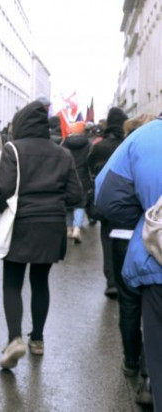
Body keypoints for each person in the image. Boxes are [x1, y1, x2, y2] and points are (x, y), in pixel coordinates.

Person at [0, 101, 83, 369]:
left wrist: (0, 207)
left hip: (21, 223)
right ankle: (38, 339)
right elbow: (76, 195)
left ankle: (15, 339)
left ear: (21, 123)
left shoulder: (13, 149)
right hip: (52, 225)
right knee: (40, 281)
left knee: (12, 282)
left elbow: (3, 189)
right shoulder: (62, 153)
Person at [95, 115, 162, 408]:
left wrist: (144, 221)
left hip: (157, 259)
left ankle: (142, 371)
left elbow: (107, 197)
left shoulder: (142, 138)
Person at [88, 107, 129, 298]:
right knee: (126, 239)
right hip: (126, 200)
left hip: (104, 199)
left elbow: (90, 168)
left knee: (107, 239)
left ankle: (111, 281)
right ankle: (124, 279)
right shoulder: (127, 144)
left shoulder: (99, 146)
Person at [61, 121, 92, 243]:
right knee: (81, 203)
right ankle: (77, 228)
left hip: (68, 176)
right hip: (83, 176)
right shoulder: (88, 143)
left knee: (68, 203)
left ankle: (68, 228)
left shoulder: (64, 143)